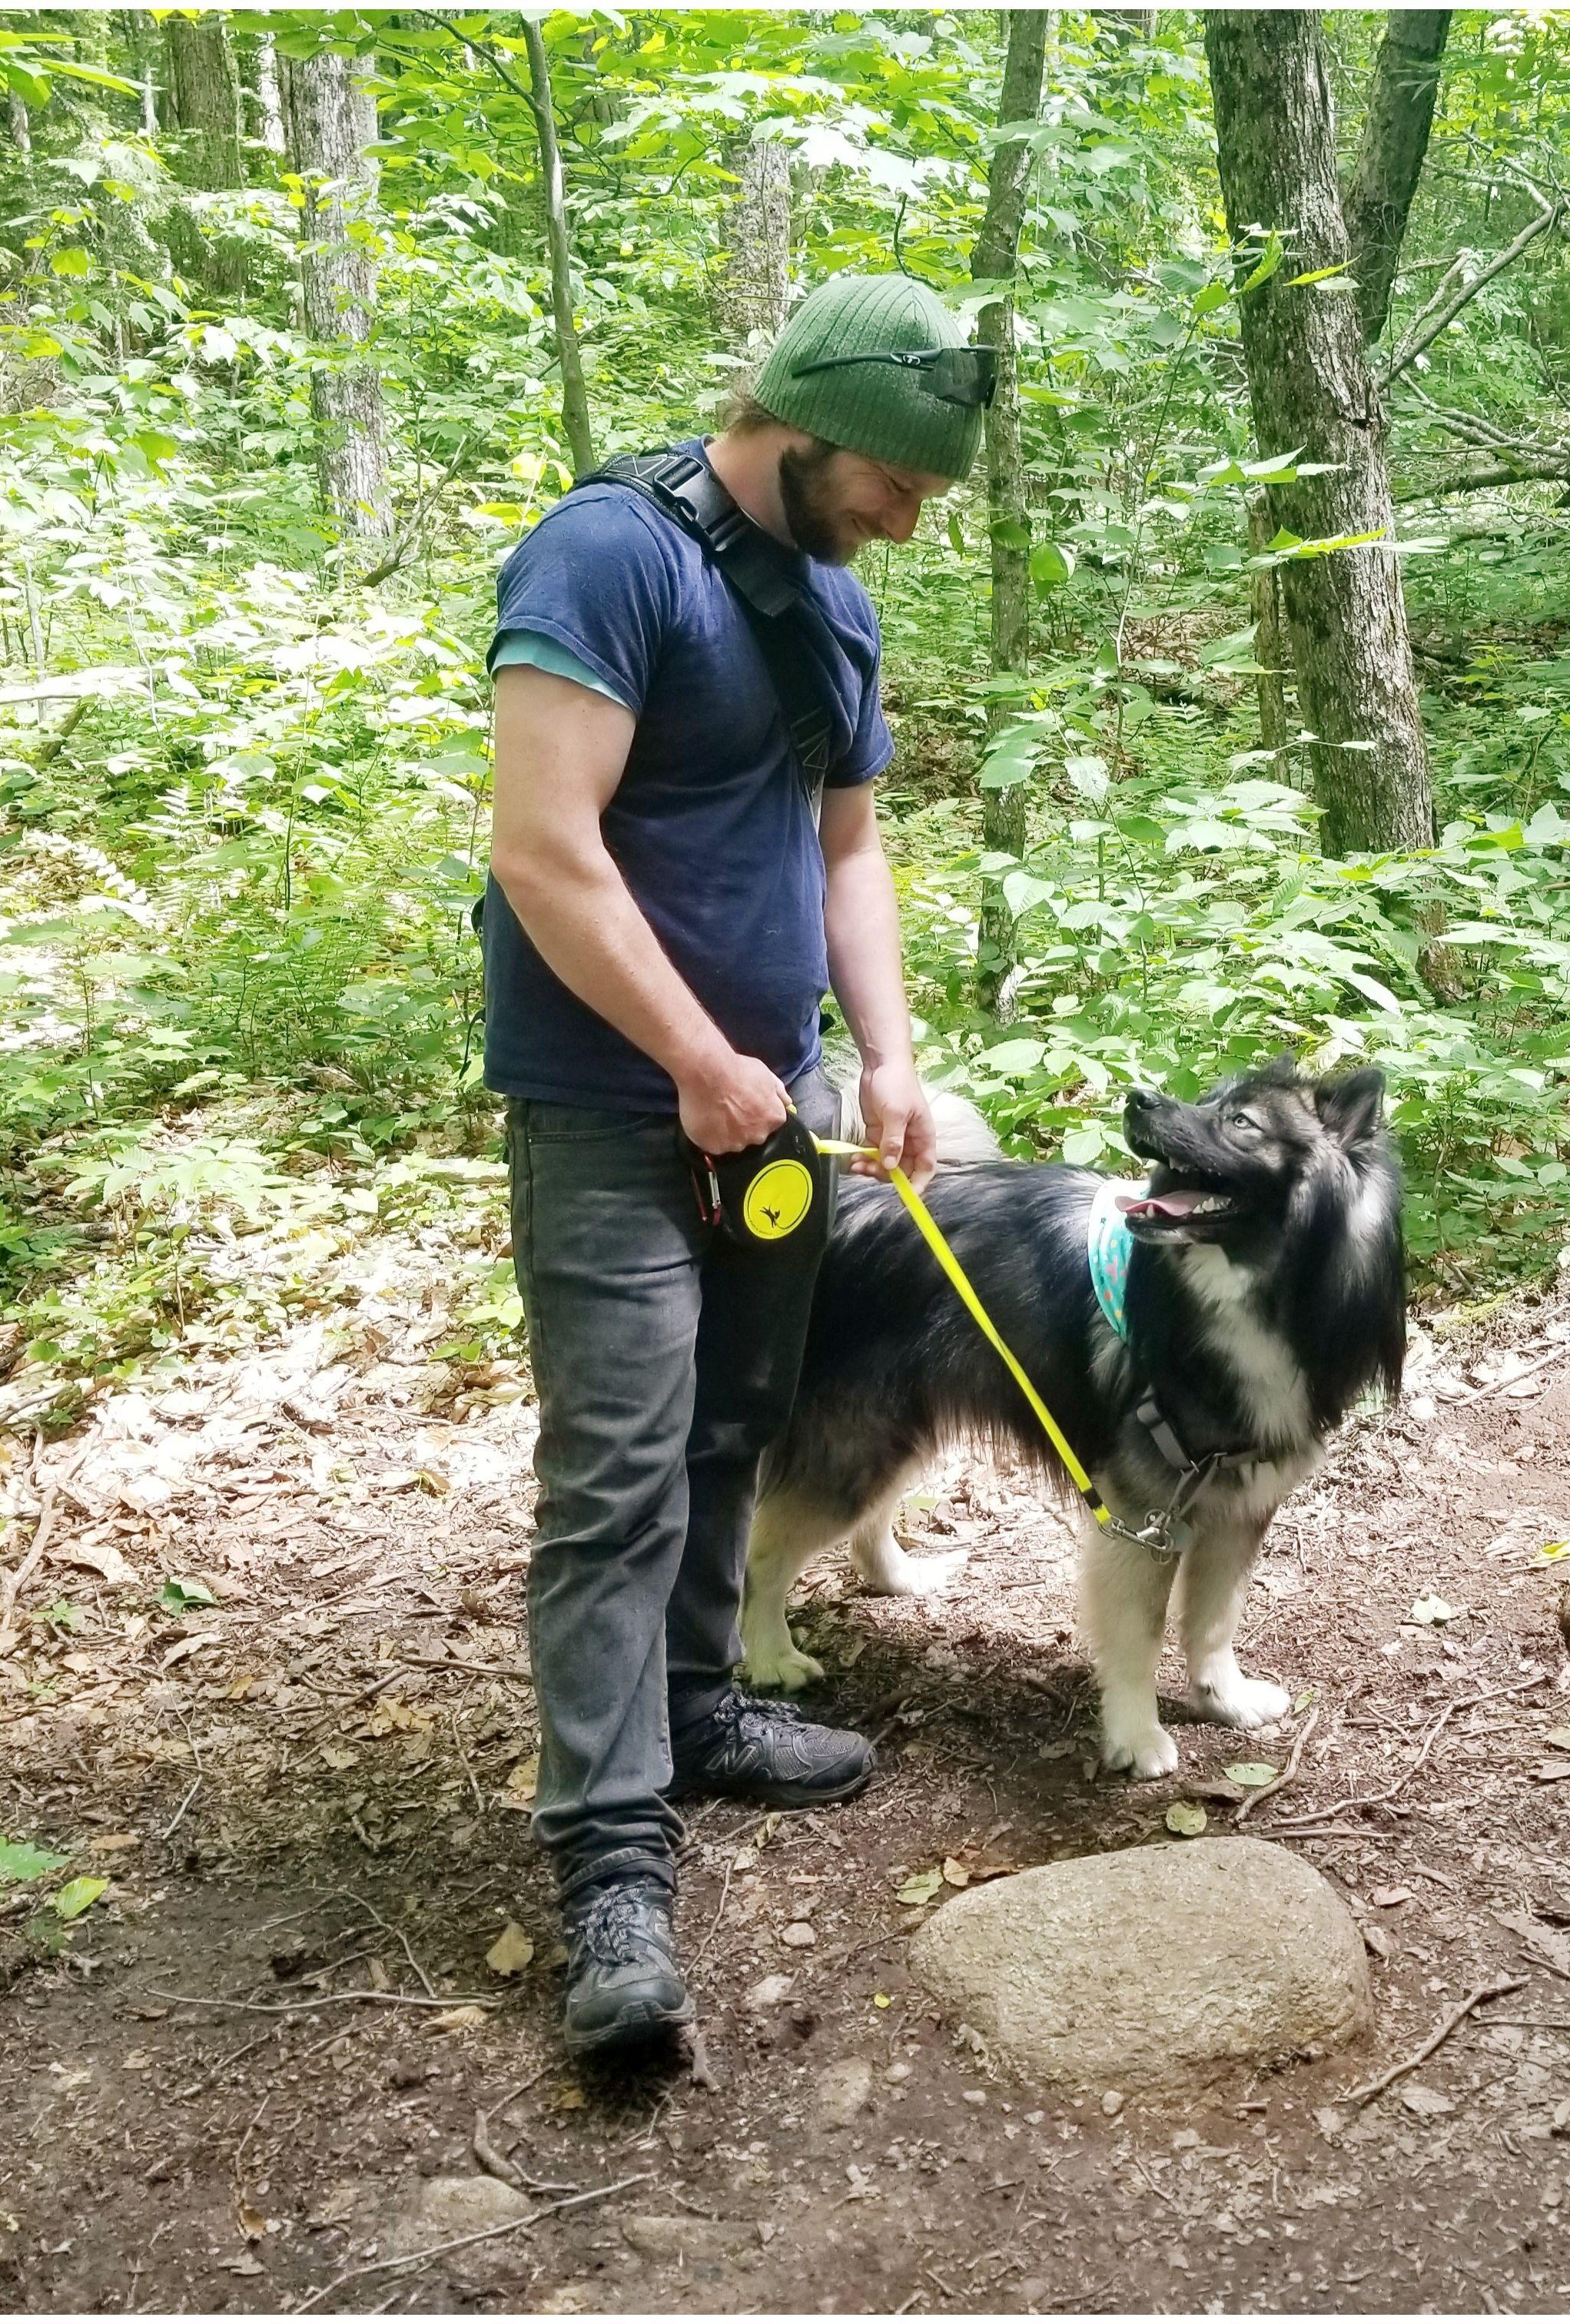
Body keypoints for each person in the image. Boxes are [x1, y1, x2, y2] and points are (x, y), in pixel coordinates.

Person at [483, 274, 987, 2055]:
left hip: (778, 1114)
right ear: (808, 427)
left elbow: (849, 851)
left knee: (730, 1427)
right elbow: (543, 848)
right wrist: (695, 1061)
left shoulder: (832, 605)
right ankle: (612, 1864)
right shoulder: (606, 561)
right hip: (614, 1111)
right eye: (898, 480)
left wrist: (890, 1055)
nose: (909, 518)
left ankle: (697, 1709)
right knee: (618, 1471)